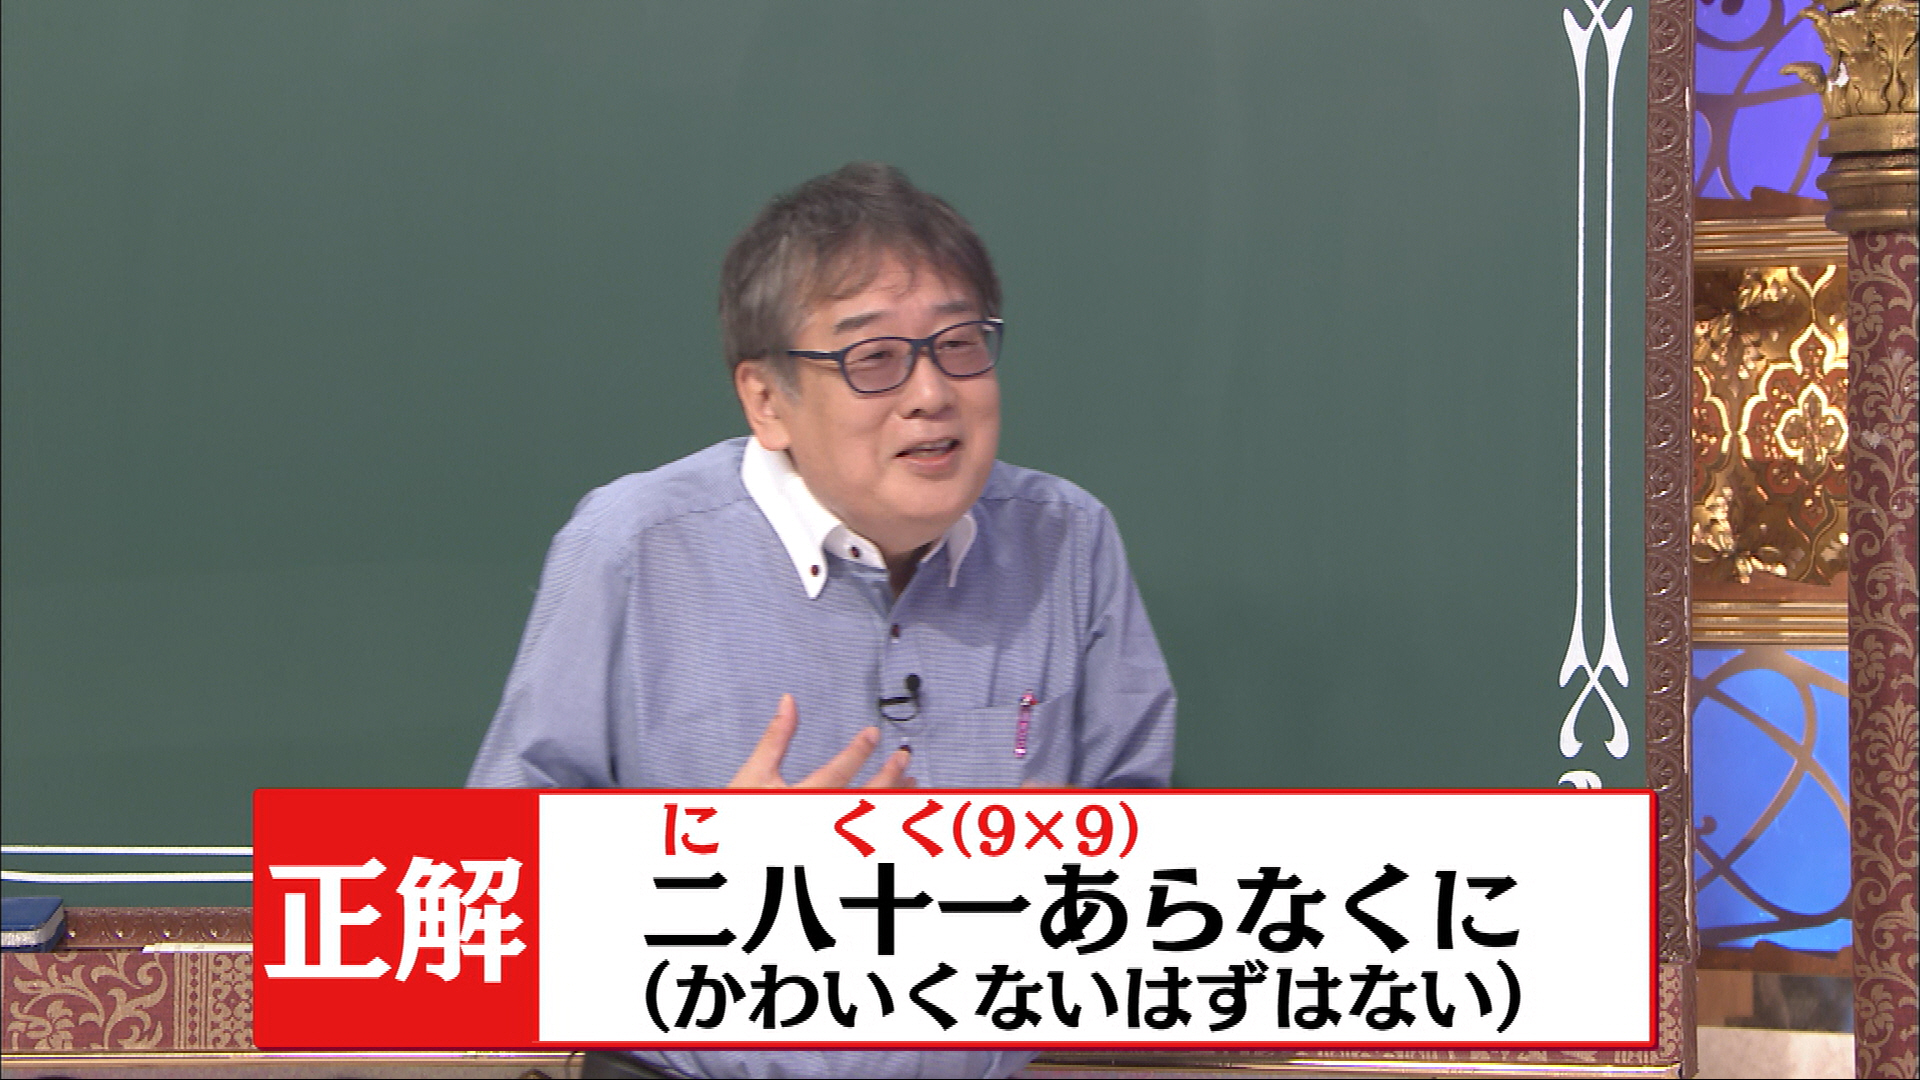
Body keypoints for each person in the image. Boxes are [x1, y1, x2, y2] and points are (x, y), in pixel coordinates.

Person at [469, 162, 1176, 1079]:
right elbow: (486, 894)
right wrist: (701, 875)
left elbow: (1146, 866)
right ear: (767, 401)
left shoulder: (1067, 542)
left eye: (960, 343)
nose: (932, 393)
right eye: (873, 358)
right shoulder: (633, 548)